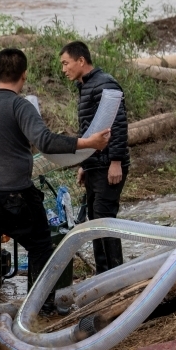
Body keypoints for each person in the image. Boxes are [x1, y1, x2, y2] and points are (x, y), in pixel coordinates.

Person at [0, 49, 110, 320]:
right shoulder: (20, 106)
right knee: (41, 248)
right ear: (24, 76)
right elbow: (45, 141)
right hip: (15, 196)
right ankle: (40, 311)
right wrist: (89, 143)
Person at [60, 40, 130, 274]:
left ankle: (116, 275)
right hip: (95, 166)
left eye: (66, 63)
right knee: (94, 222)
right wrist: (85, 165)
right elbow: (91, 131)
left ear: (81, 61)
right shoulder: (86, 86)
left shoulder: (104, 84)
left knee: (105, 221)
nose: (64, 69)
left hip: (109, 165)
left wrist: (116, 161)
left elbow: (118, 125)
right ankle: (103, 274)